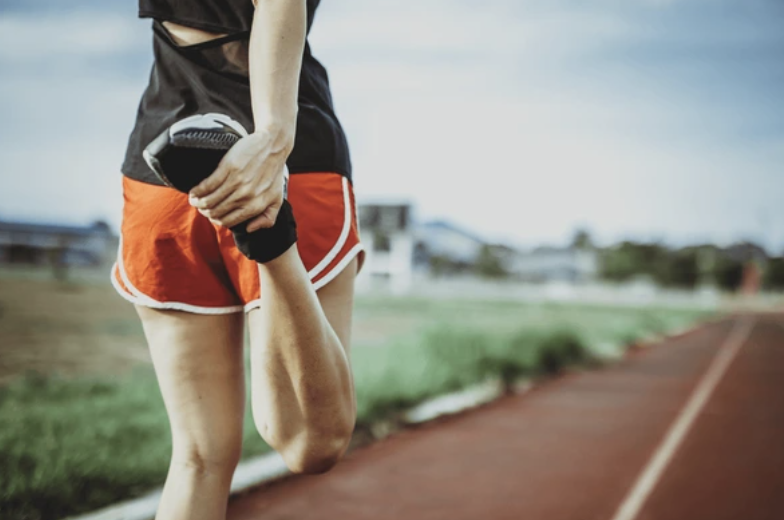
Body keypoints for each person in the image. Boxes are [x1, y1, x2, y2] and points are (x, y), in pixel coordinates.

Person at [111, 1, 364, 518]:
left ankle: (267, 236)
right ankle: (270, 238)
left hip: (163, 164)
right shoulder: (279, 150)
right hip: (292, 163)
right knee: (311, 442)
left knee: (197, 458)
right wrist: (272, 140)